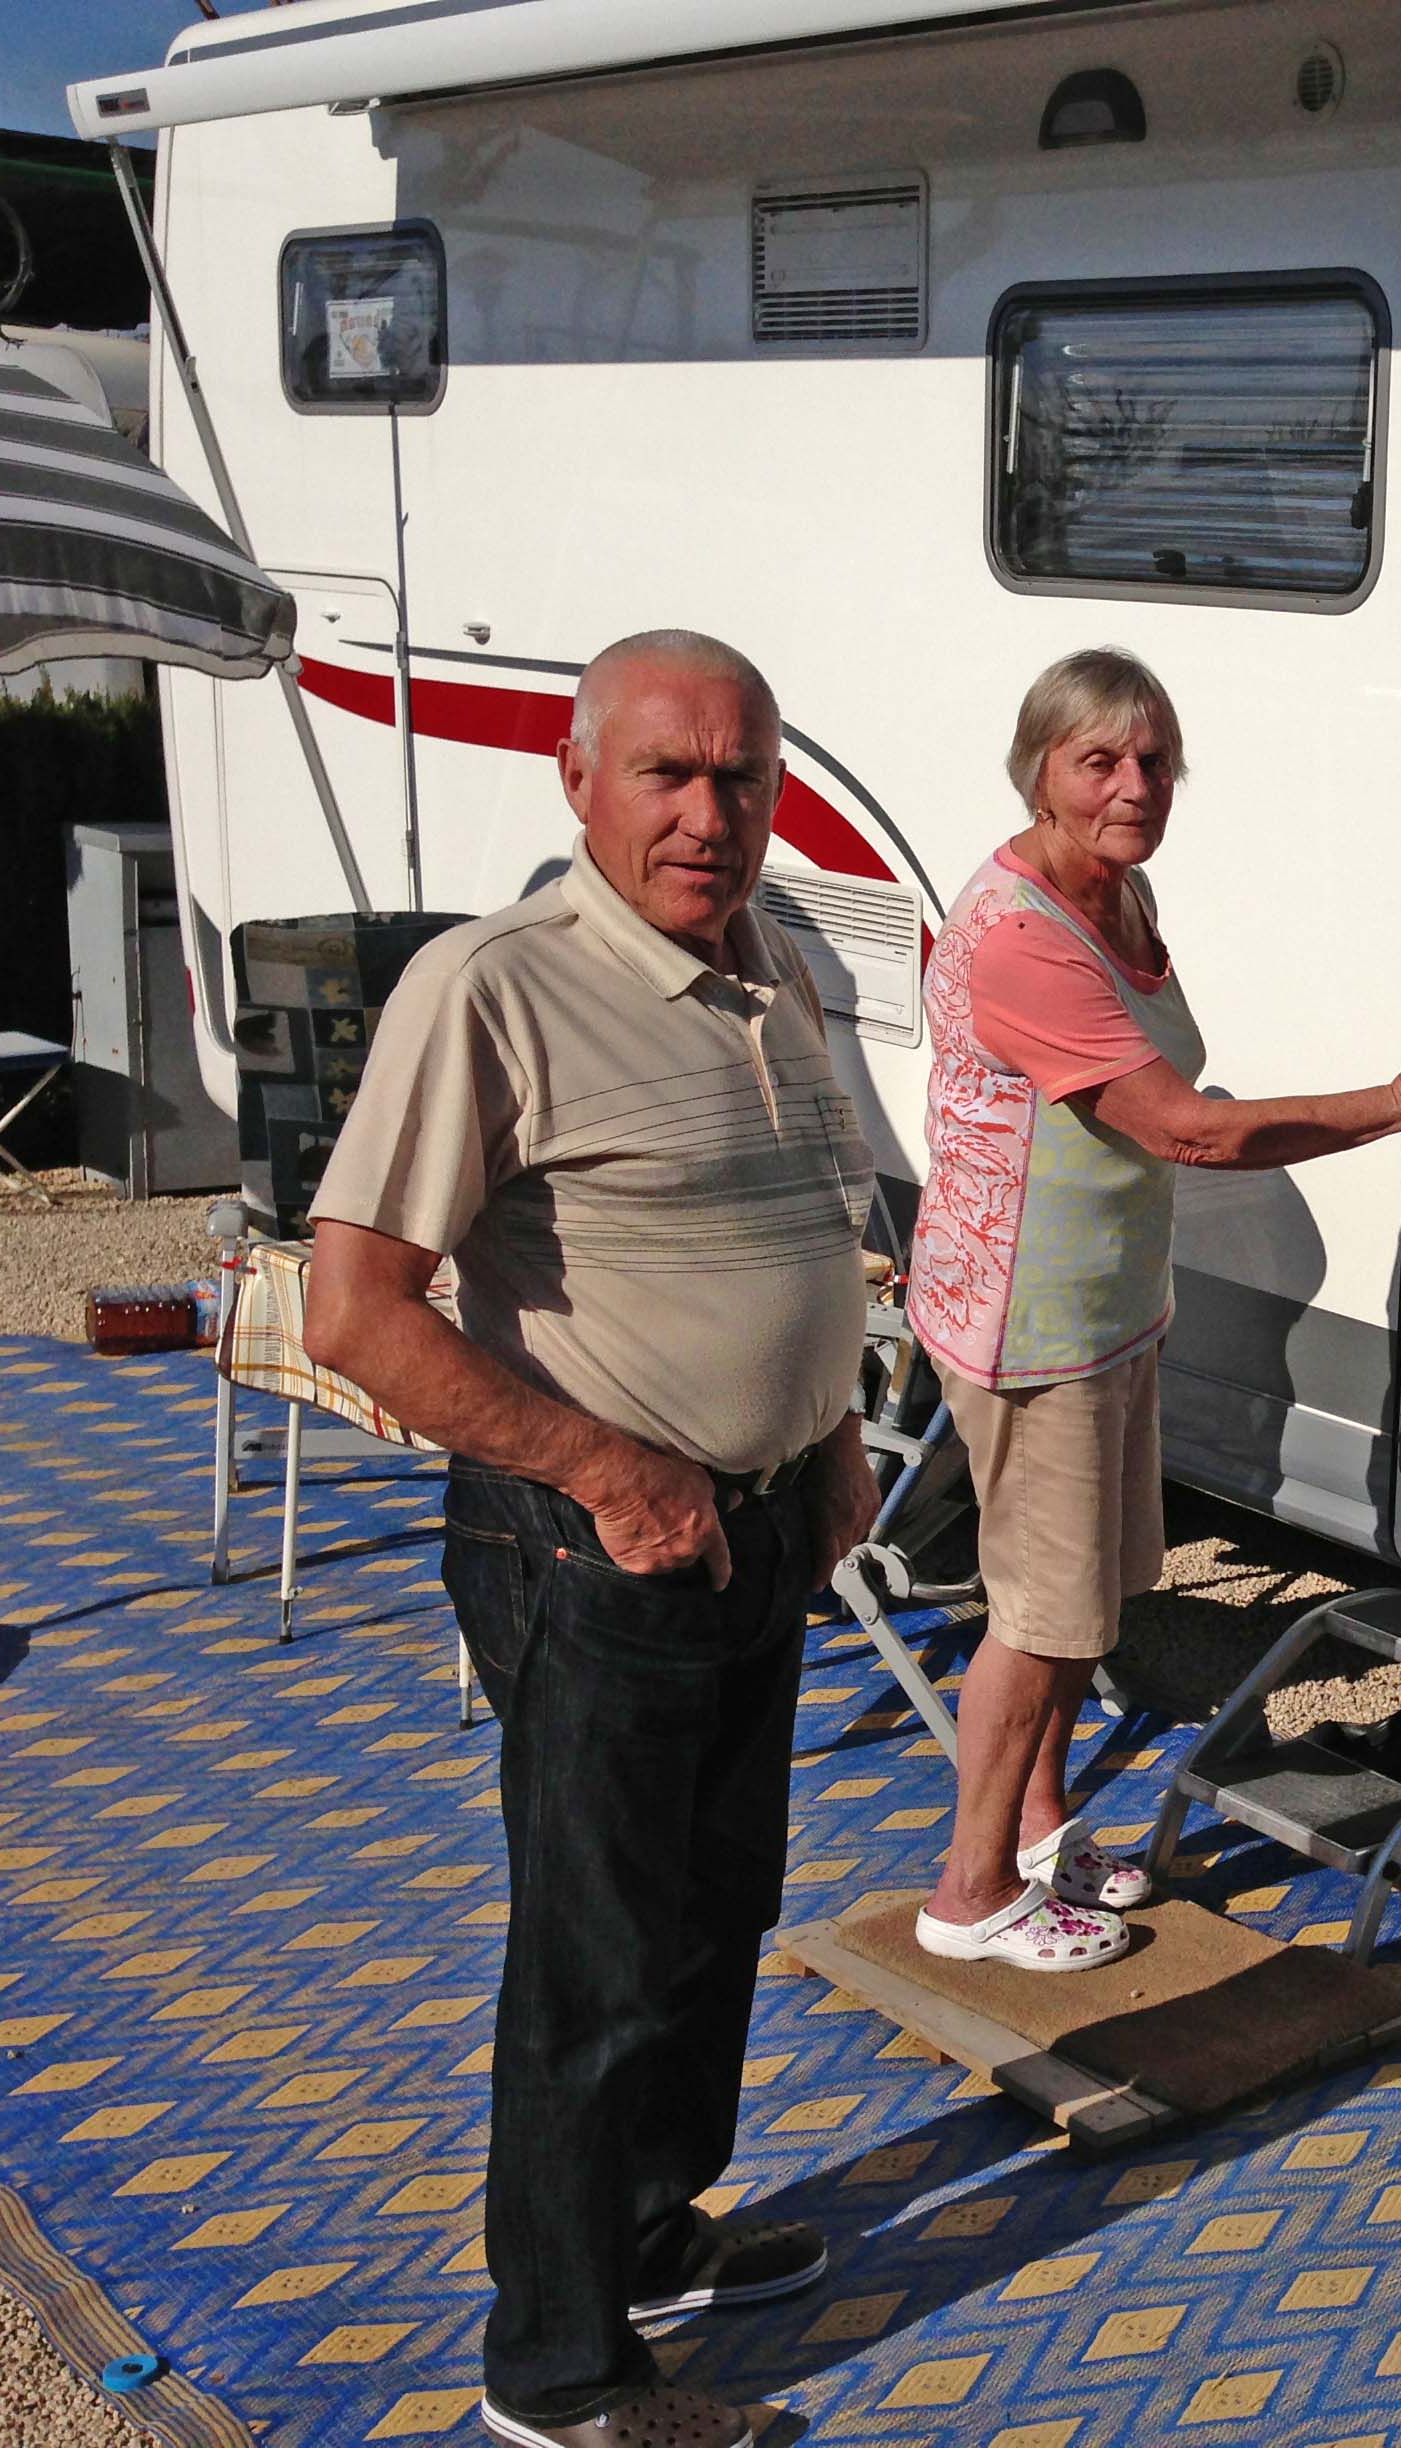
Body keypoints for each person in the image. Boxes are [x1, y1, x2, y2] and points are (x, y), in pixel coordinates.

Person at [304, 631, 881, 2448]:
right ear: (577, 781)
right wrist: (612, 1473)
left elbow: (809, 1220)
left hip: (757, 1532)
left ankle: (647, 2228)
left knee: (717, 1918)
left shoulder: (778, 964)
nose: (711, 814)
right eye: (668, 774)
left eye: (743, 778)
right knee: (601, 1959)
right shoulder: (495, 987)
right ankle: (558, 2368)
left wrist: (833, 1436)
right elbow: (355, 1311)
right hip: (593, 1547)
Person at [907, 646, 1401, 1970]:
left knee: (1090, 1601)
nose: (1134, 786)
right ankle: (969, 1897)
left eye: (1154, 760)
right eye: (1099, 761)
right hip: (1027, 1327)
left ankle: (1037, 1830)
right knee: (1039, 1617)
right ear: (1038, 771)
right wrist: (1396, 1101)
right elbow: (1187, 1131)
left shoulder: (1119, 891)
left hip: (1106, 1305)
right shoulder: (1021, 939)